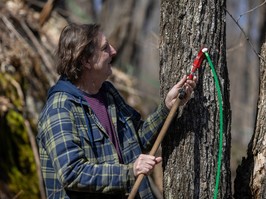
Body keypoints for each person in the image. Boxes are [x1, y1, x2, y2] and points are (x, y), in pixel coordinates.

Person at [37, 23, 197, 199]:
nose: (113, 51)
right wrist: (130, 172)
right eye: (105, 48)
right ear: (86, 60)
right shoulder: (60, 109)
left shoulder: (108, 93)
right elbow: (72, 173)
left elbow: (139, 140)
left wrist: (167, 107)